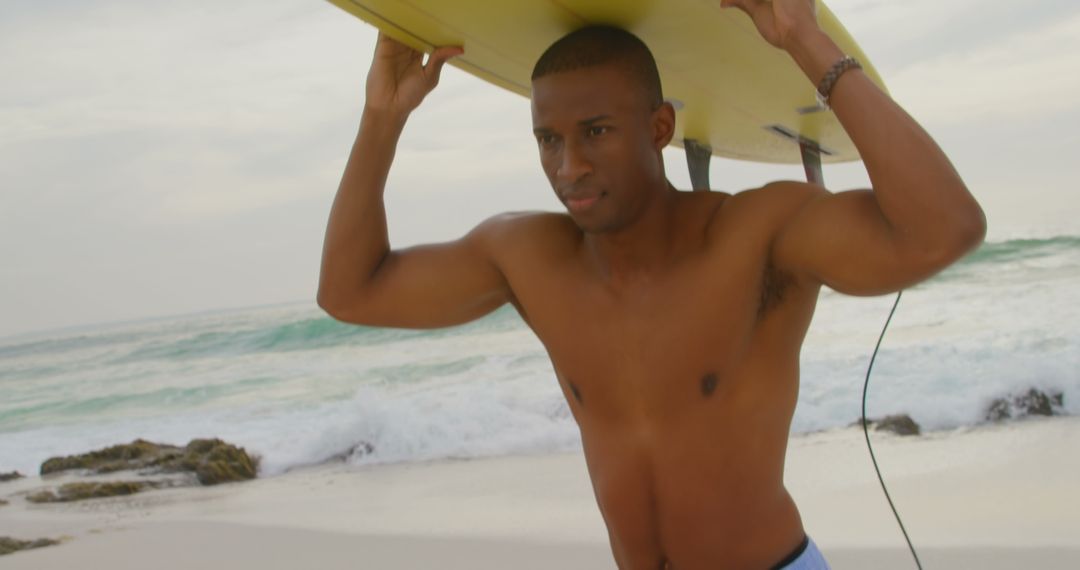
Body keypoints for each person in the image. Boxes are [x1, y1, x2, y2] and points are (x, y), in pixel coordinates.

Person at [317, 0, 986, 568]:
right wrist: (384, 117)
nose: (568, 165)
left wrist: (806, 42)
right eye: (547, 139)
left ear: (659, 128)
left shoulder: (756, 236)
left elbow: (943, 229)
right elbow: (351, 292)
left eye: (596, 132)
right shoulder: (528, 257)